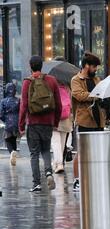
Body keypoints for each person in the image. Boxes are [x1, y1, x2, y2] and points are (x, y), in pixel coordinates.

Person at [19, 55, 62, 192]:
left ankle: (36, 183)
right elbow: (59, 104)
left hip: (33, 123)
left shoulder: (27, 82)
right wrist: (55, 122)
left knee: (34, 154)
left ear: (30, 66)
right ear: (41, 66)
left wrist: (21, 125)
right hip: (48, 123)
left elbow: (24, 105)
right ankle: (49, 172)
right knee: (45, 150)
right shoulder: (52, 80)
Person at [71, 52, 103, 191]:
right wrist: (95, 95)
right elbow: (79, 95)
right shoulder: (76, 80)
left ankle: (93, 177)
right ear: (86, 66)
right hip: (84, 120)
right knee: (82, 151)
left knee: (97, 151)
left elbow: (102, 92)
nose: (96, 69)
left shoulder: (96, 79)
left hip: (98, 119)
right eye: (94, 66)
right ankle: (77, 180)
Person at [51, 58, 73, 174]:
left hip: (54, 117)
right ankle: (58, 162)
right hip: (66, 118)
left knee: (55, 142)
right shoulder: (68, 87)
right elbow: (72, 103)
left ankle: (59, 163)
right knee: (62, 143)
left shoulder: (50, 86)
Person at [0, 83, 20, 166]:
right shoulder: (18, 100)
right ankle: (14, 155)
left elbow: (0, 114)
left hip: (8, 123)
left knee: (7, 139)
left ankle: (12, 152)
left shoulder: (3, 101)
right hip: (16, 123)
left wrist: (5, 120)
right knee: (14, 139)